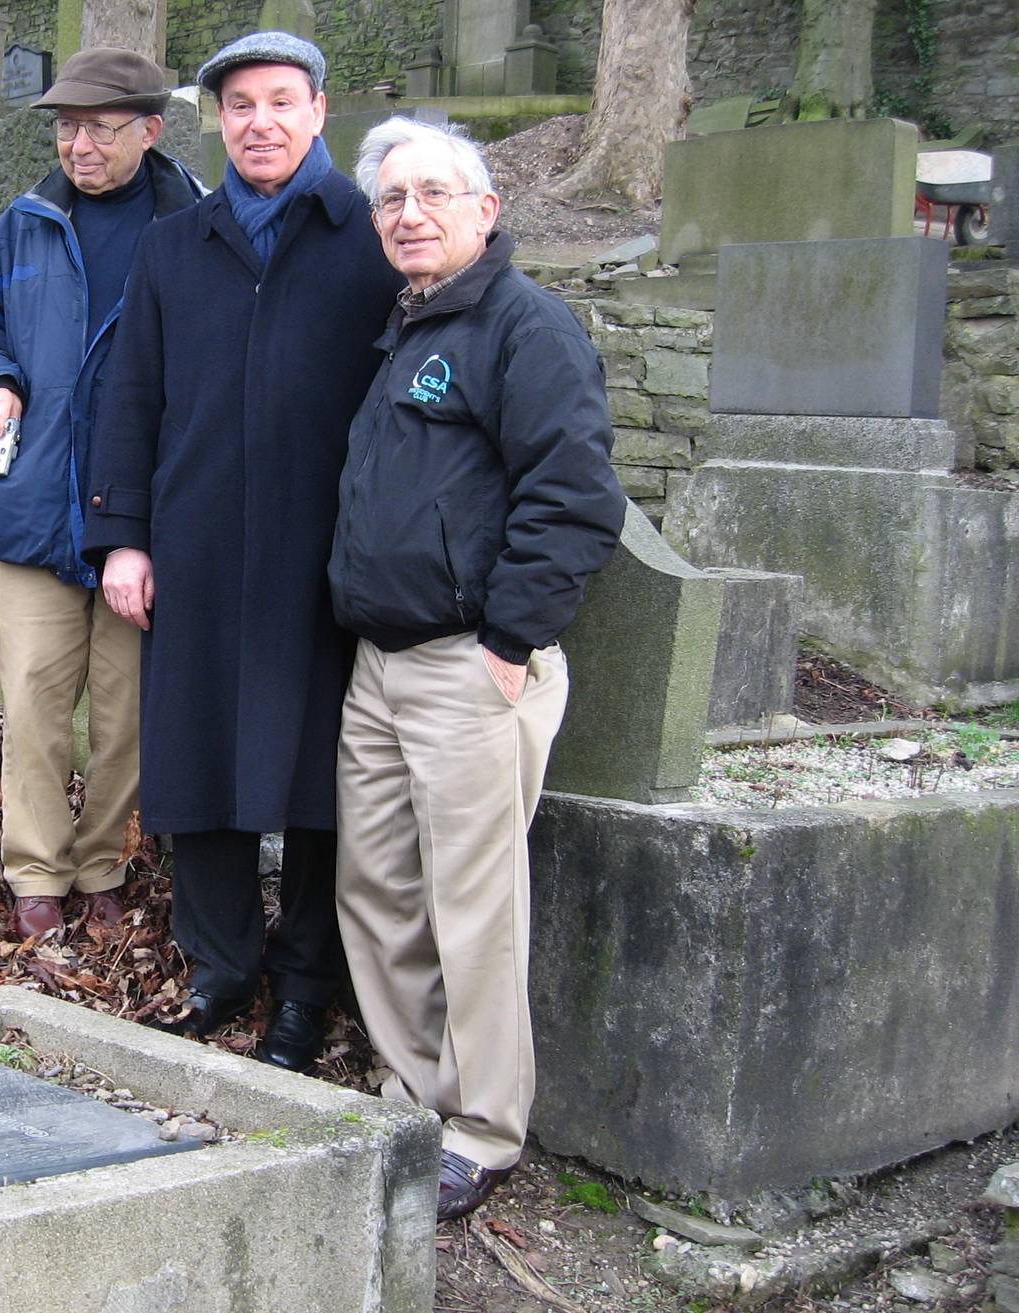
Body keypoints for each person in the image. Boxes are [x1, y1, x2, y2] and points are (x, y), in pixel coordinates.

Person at [81, 32, 401, 1072]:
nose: (260, 121)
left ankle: (306, 987)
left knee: (317, 783)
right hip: (201, 546)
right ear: (217, 121)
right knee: (201, 759)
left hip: (324, 558)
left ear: (319, 110)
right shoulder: (178, 245)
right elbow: (131, 397)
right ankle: (221, 966)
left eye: (280, 101)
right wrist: (123, 536)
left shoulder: (369, 236)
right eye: (240, 106)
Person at [330, 117, 627, 1220]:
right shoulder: (405, 325)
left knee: (474, 906)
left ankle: (486, 1125)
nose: (411, 213)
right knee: (380, 891)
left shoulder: (525, 327)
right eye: (392, 198)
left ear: (486, 210)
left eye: (434, 193)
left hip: (471, 665)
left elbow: (575, 497)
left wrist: (512, 641)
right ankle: (411, 1094)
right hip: (381, 663)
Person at [0, 48, 207, 942]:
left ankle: (104, 861)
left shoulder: (196, 227)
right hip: (34, 509)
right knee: (31, 701)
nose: (77, 145)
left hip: (145, 518)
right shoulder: (22, 224)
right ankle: (35, 869)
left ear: (150, 130)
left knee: (126, 710)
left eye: (98, 127)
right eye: (64, 127)